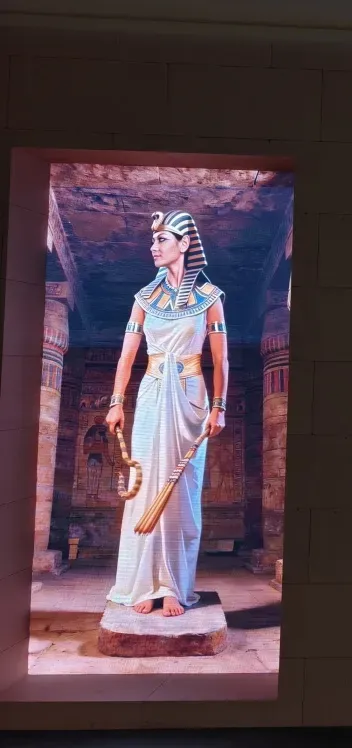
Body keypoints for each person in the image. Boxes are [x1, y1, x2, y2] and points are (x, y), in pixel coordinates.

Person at [104, 211, 228, 618]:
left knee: (181, 493)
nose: (153, 247)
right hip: (153, 392)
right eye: (153, 240)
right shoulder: (144, 299)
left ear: (185, 244)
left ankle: (173, 587)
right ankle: (144, 583)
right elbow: (127, 356)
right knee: (144, 487)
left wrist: (219, 407)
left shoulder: (210, 298)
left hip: (191, 396)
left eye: (162, 239)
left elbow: (220, 360)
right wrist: (116, 401)